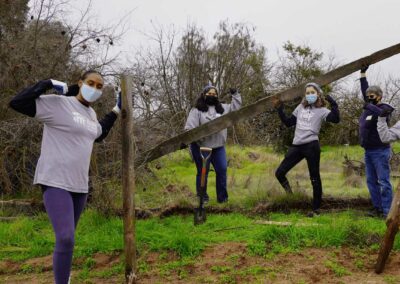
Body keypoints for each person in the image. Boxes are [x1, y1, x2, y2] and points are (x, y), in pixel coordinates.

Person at [8, 70, 121, 284]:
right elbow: (18, 103)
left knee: (67, 241)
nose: (94, 89)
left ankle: (64, 277)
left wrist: (116, 110)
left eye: (99, 86)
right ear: (80, 83)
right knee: (66, 237)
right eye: (91, 83)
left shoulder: (91, 115)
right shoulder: (59, 104)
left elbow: (98, 133)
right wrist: (47, 82)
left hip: (79, 186)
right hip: (54, 180)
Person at [274, 82, 340, 217]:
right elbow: (288, 122)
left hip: (311, 146)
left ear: (318, 94)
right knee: (279, 172)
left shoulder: (322, 110)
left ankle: (316, 208)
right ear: (305, 95)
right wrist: (279, 109)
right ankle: (290, 195)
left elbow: (336, 119)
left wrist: (333, 103)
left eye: (312, 92)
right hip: (297, 145)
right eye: (307, 93)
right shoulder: (300, 107)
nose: (310, 95)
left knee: (314, 178)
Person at [184, 85, 242, 203]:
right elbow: (189, 128)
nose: (212, 96)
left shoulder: (223, 108)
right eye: (209, 94)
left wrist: (235, 94)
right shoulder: (196, 110)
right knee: (203, 173)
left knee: (221, 170)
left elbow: (236, 109)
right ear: (204, 95)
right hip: (202, 147)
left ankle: (222, 199)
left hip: (218, 147)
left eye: (214, 94)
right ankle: (202, 198)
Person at [359, 65, 394, 218]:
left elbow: (383, 114)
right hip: (368, 151)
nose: (369, 97)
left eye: (373, 95)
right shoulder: (368, 108)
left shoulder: (384, 107)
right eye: (368, 95)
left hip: (380, 151)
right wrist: (362, 74)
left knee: (384, 182)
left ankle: (388, 211)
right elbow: (364, 90)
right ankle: (377, 209)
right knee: (371, 181)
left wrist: (369, 106)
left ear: (379, 96)